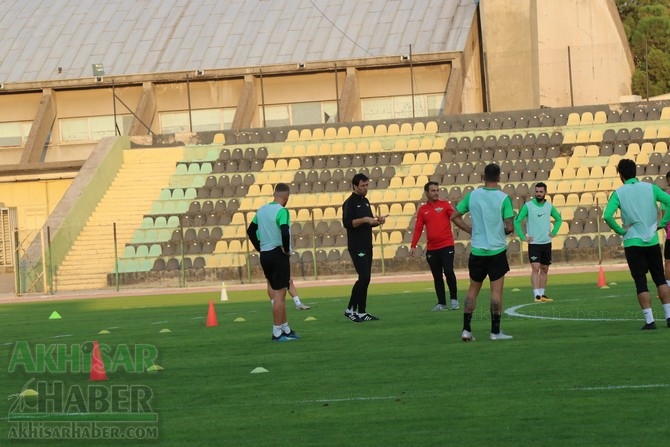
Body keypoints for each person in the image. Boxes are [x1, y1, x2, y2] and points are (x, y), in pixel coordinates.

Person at [603, 158, 670, 330]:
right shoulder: (651, 188)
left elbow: (608, 216)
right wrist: (662, 222)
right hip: (652, 239)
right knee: (660, 279)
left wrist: (621, 230)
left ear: (620, 174)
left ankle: (650, 321)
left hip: (633, 241)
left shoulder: (619, 193)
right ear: (635, 172)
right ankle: (669, 317)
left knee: (641, 281)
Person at [450, 163, 515, 341]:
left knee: (472, 290)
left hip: (478, 250)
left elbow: (454, 216)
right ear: (499, 177)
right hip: (496, 251)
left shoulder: (473, 195)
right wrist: (505, 229)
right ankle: (495, 332)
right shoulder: (504, 198)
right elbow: (509, 226)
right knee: (496, 293)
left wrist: (470, 230)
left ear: (483, 177)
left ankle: (466, 329)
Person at [246, 183, 299, 341]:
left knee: (276, 292)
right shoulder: (282, 211)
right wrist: (286, 249)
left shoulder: (261, 210)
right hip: (277, 253)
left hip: (265, 255)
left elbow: (250, 230)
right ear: (285, 197)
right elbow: (284, 230)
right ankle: (277, 333)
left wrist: (259, 247)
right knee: (280, 295)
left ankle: (285, 329)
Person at [342, 172, 386, 322]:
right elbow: (347, 223)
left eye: (367, 185)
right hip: (357, 246)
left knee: (366, 279)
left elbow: (368, 222)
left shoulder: (366, 201)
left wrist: (377, 221)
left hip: (367, 244)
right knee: (364, 277)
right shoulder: (350, 203)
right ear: (355, 186)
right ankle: (350, 309)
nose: (366, 188)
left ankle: (361, 311)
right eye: (363, 185)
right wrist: (365, 219)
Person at [410, 181, 459, 311]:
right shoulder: (422, 210)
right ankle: (441, 303)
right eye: (433, 191)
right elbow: (418, 228)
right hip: (432, 248)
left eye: (437, 190)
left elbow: (455, 217)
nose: (436, 193)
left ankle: (454, 299)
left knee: (448, 271)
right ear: (427, 193)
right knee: (437, 276)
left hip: (447, 245)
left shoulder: (445, 205)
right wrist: (413, 245)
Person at [513, 181, 563, 303]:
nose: (539, 194)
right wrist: (522, 236)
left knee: (545, 269)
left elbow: (558, 219)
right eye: (537, 191)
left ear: (545, 193)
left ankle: (542, 294)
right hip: (534, 243)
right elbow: (517, 221)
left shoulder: (549, 206)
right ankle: (536, 295)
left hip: (546, 242)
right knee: (535, 268)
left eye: (541, 192)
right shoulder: (528, 206)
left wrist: (554, 232)